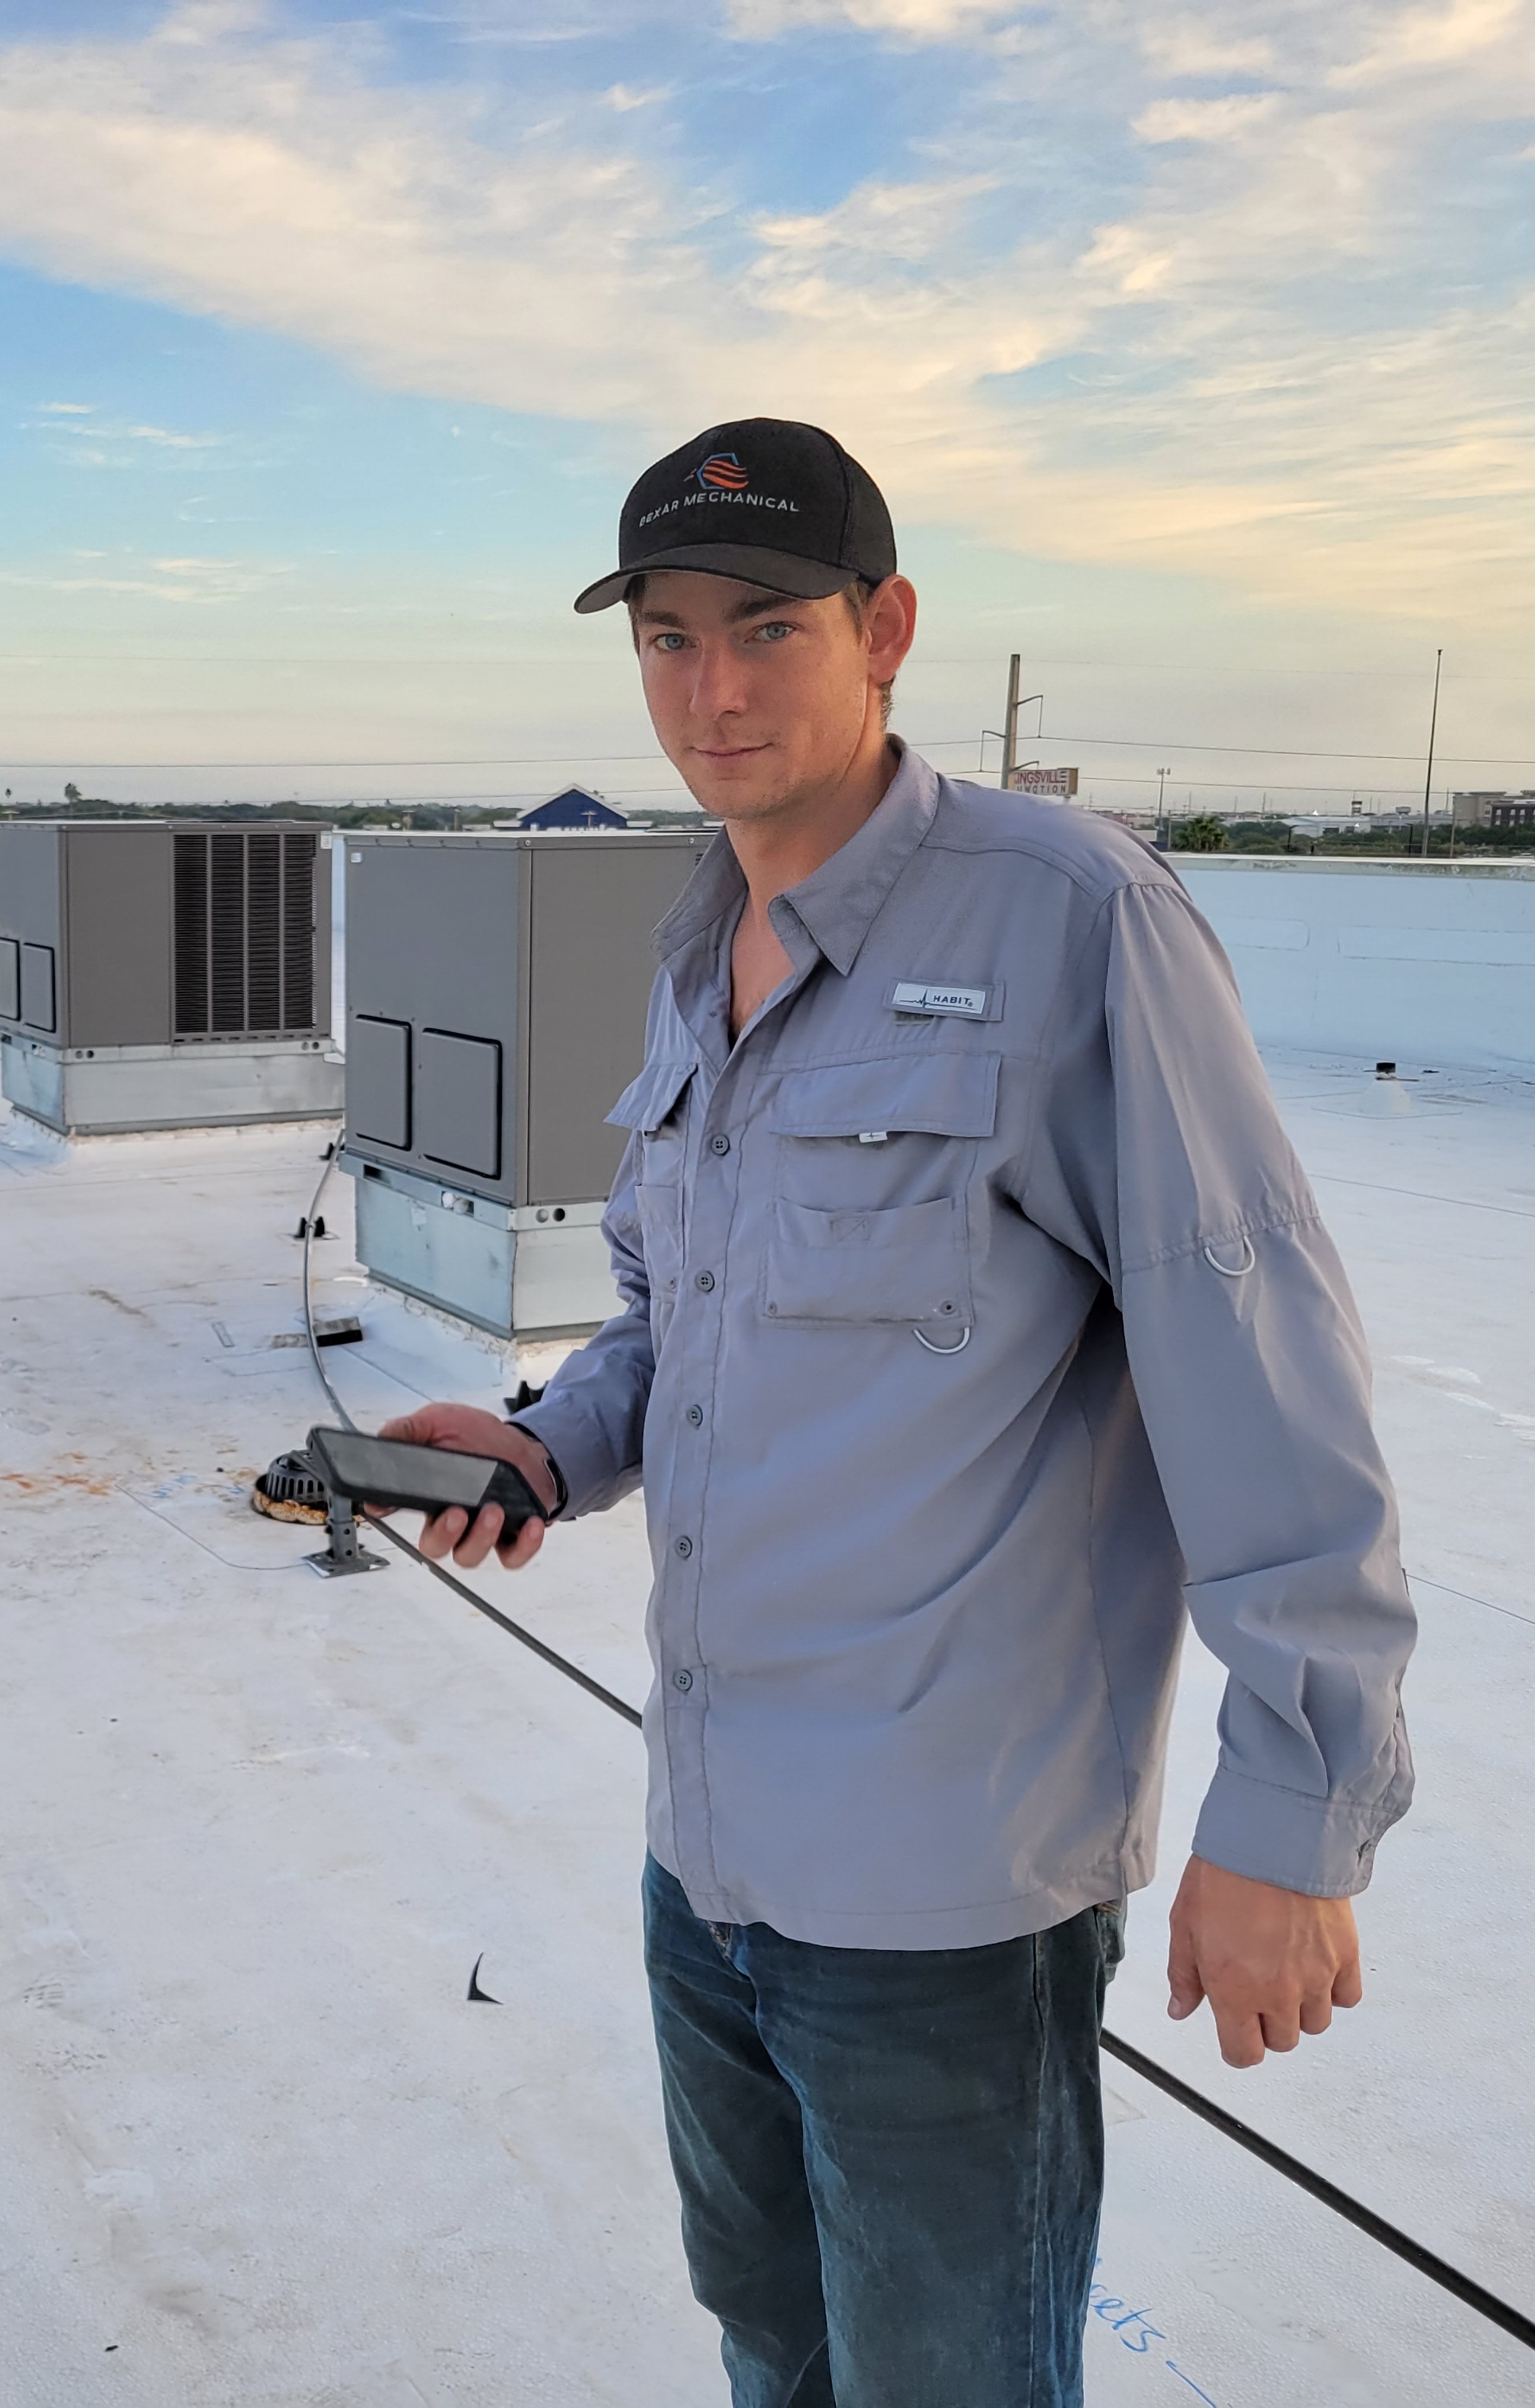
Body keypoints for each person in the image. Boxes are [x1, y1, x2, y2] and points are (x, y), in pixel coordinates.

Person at [378, 418, 1416, 2406]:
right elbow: (683, 1322)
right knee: (771, 2347)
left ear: (891, 631)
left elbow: (1269, 1382)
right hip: (709, 1859)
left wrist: (1296, 1820)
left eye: (769, 625)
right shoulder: (706, 942)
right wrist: (547, 1441)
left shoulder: (1072, 921)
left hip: (940, 1908)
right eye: (669, 637)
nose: (717, 687)